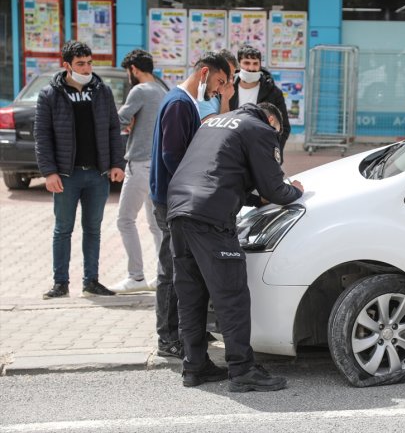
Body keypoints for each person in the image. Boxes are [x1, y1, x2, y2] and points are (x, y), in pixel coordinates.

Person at [167, 102, 303, 390]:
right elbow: (275, 188)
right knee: (232, 296)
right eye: (276, 130)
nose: (274, 135)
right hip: (210, 218)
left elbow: (218, 172)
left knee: (191, 295)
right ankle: (242, 370)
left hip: (178, 210)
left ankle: (194, 366)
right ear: (270, 119)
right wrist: (297, 191)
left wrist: (255, 199)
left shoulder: (214, 123)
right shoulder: (260, 129)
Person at [150, 52, 233, 358]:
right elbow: (173, 155)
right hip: (171, 199)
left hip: (175, 197)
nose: (218, 90)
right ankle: (168, 338)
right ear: (204, 73)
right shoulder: (179, 103)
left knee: (182, 268)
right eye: (219, 82)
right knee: (172, 271)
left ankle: (184, 332)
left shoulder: (184, 101)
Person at [35, 40, 125, 299]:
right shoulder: (50, 94)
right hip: (66, 175)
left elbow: (112, 129)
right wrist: (49, 172)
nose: (86, 69)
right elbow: (42, 136)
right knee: (63, 229)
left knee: (93, 229)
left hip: (97, 174)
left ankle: (91, 280)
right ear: (67, 65)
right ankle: (60, 283)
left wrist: (117, 164)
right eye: (80, 64)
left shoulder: (102, 91)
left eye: (89, 63)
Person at [109, 49, 166, 294]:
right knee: (156, 225)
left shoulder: (139, 90)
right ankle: (163, 275)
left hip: (139, 162)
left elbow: (119, 120)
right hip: (158, 165)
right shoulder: (163, 91)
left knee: (125, 220)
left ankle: (136, 276)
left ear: (134, 69)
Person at [208, 45, 291, 157]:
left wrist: (273, 152)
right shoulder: (226, 89)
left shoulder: (273, 92)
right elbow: (220, 120)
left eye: (255, 63)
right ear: (239, 65)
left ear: (260, 65)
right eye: (246, 63)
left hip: (262, 152)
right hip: (232, 151)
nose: (251, 68)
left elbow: (284, 127)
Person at [197, 49, 238, 122]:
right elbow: (220, 128)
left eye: (231, 76)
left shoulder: (216, 95)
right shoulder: (201, 95)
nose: (229, 80)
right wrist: (225, 99)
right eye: (226, 74)